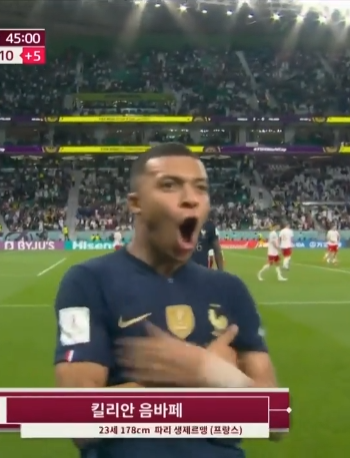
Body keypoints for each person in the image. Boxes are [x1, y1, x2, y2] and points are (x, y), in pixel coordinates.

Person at [53, 143, 279, 458]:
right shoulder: (88, 282)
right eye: (169, 185)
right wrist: (194, 375)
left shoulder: (230, 289)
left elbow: (276, 420)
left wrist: (220, 376)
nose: (190, 198)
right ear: (136, 203)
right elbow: (79, 420)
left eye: (201, 188)